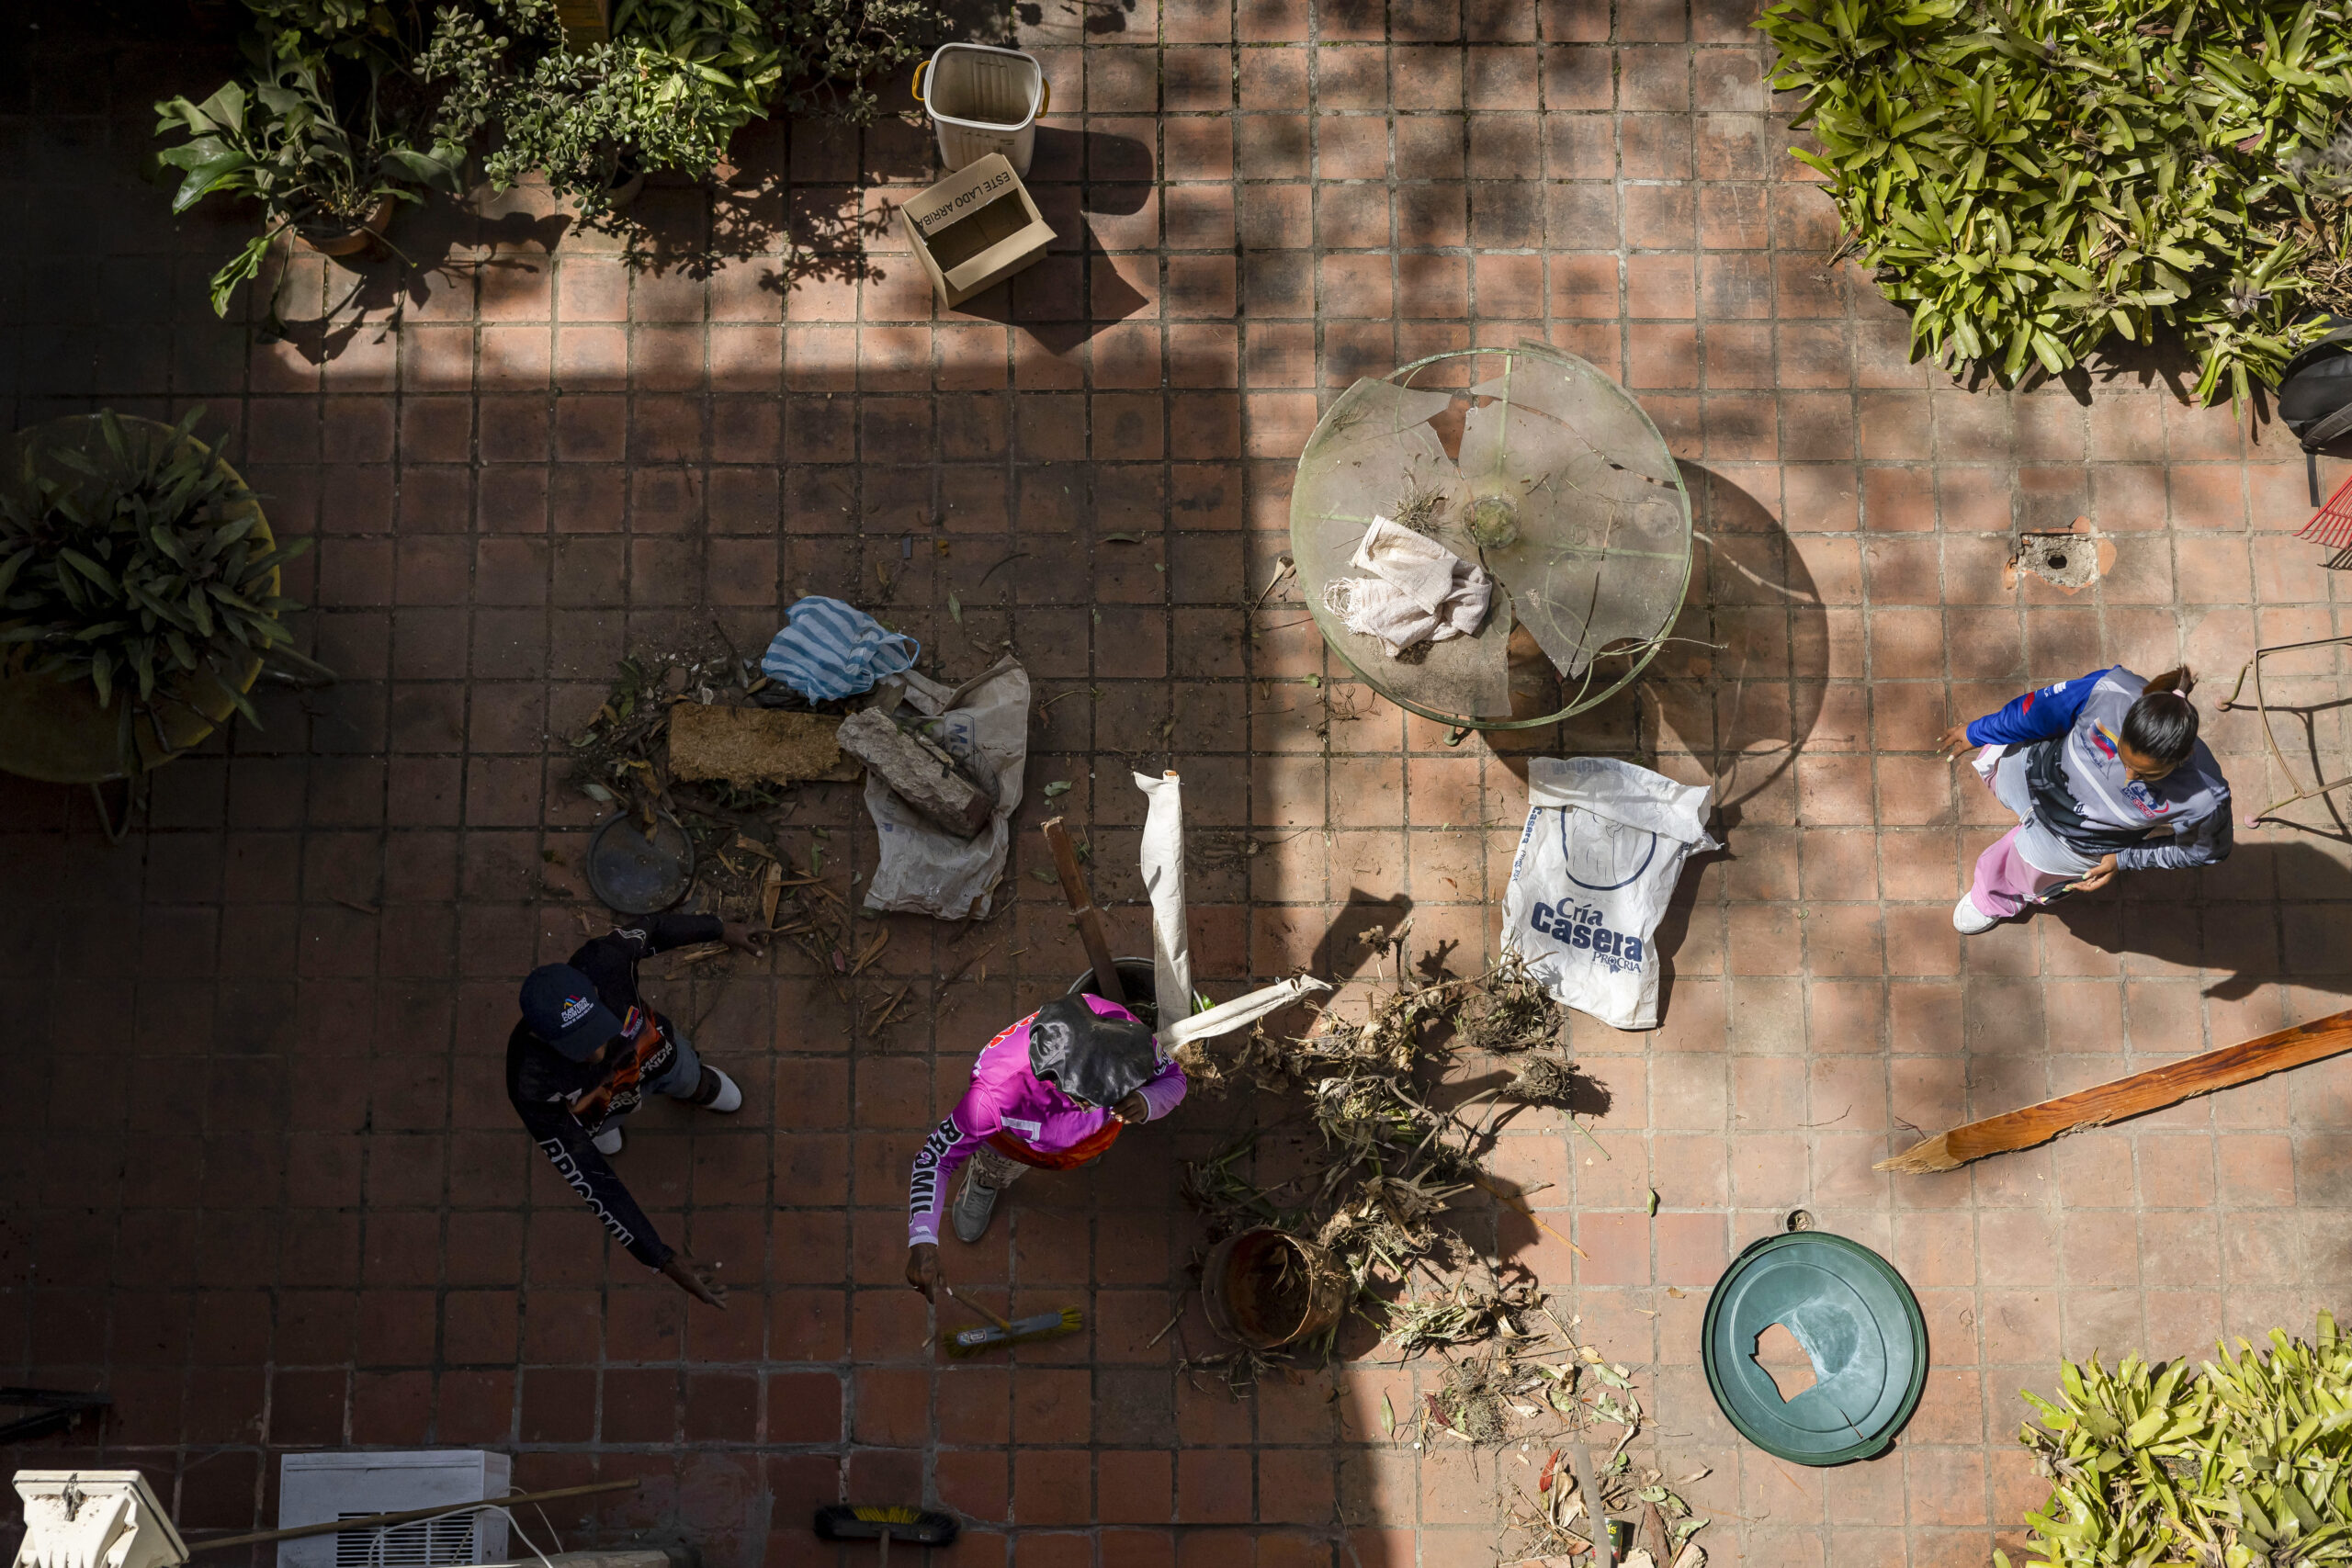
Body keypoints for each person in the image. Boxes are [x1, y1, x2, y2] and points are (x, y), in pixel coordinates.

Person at [510, 913, 765, 1307]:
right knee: (597, 1135)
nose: (598, 1052)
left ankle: (697, 1086)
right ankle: (605, 1127)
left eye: (597, 1028)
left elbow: (655, 928)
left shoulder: (606, 958)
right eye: (579, 1046)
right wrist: (661, 1258)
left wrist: (720, 930)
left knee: (686, 1074)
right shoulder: (529, 1081)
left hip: (657, 1056)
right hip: (597, 1105)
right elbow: (592, 1181)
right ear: (542, 1040)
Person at [905, 992, 1186, 1300]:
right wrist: (922, 1238)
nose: (1109, 1104)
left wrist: (1147, 1100)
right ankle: (986, 1182)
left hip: (1087, 1139)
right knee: (997, 1166)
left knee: (1088, 1146)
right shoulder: (992, 1098)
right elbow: (934, 1158)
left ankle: (1082, 1154)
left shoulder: (1123, 1033)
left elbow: (1174, 1079)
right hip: (1016, 1145)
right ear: (1059, 1087)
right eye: (1097, 1101)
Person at [1936, 665, 2231, 934]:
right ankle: (2031, 839)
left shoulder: (2206, 798)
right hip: (2036, 773)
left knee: (2023, 872)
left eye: (2146, 774)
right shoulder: (2111, 688)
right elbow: (2036, 712)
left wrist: (2124, 859)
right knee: (1995, 755)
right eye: (2123, 757)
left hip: (2076, 844)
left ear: (2184, 757)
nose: (2128, 777)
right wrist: (1977, 732)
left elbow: (2203, 851)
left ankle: (1997, 896)